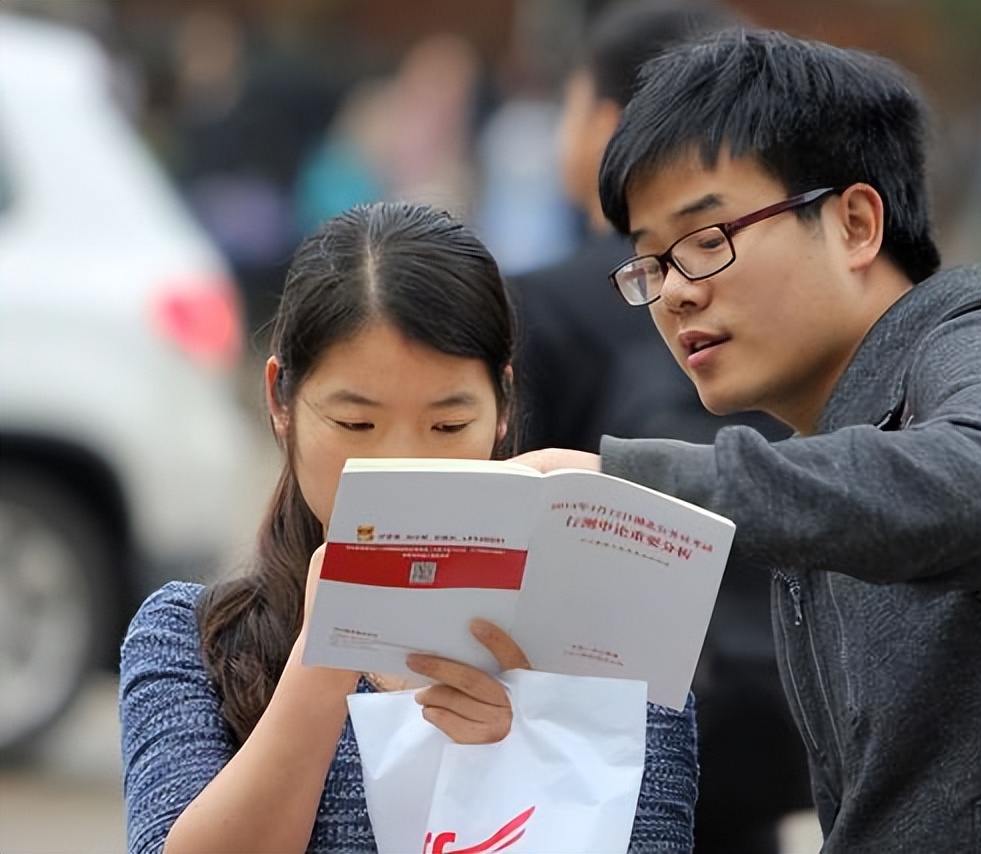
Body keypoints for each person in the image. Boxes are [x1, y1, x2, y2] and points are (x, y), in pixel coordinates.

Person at [511, 29, 981, 851]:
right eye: (649, 265)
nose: (675, 294)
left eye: (707, 240)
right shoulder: (846, 437)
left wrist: (633, 488)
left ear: (857, 223)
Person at [118, 202, 697, 853]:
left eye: (448, 426)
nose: (403, 466)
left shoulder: (608, 651)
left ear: (502, 408)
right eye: (356, 425)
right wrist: (325, 658)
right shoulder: (193, 641)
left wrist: (538, 748)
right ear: (283, 401)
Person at [508, 4, 809, 852]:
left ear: (609, 127)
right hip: (773, 710)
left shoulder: (548, 303)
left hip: (613, 729)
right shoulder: (771, 298)